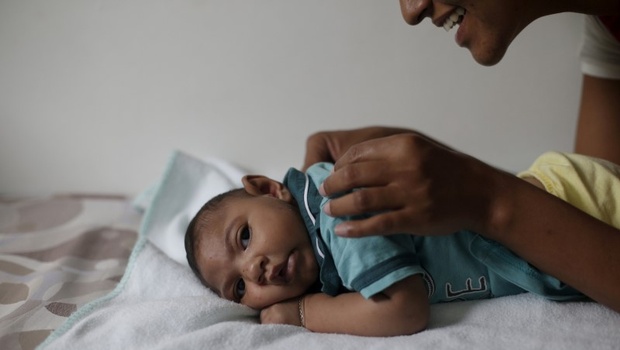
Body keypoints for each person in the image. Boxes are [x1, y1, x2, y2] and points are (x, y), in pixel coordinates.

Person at [300, 1, 620, 313]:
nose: (411, 11)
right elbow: (599, 195)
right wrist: (453, 173)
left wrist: (487, 199)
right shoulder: (608, 27)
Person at [185, 151, 620, 336]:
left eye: (245, 237)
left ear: (268, 188)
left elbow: (403, 308)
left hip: (572, 200)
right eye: (239, 288)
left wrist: (302, 313)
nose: (254, 269)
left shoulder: (335, 208)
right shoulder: (324, 259)